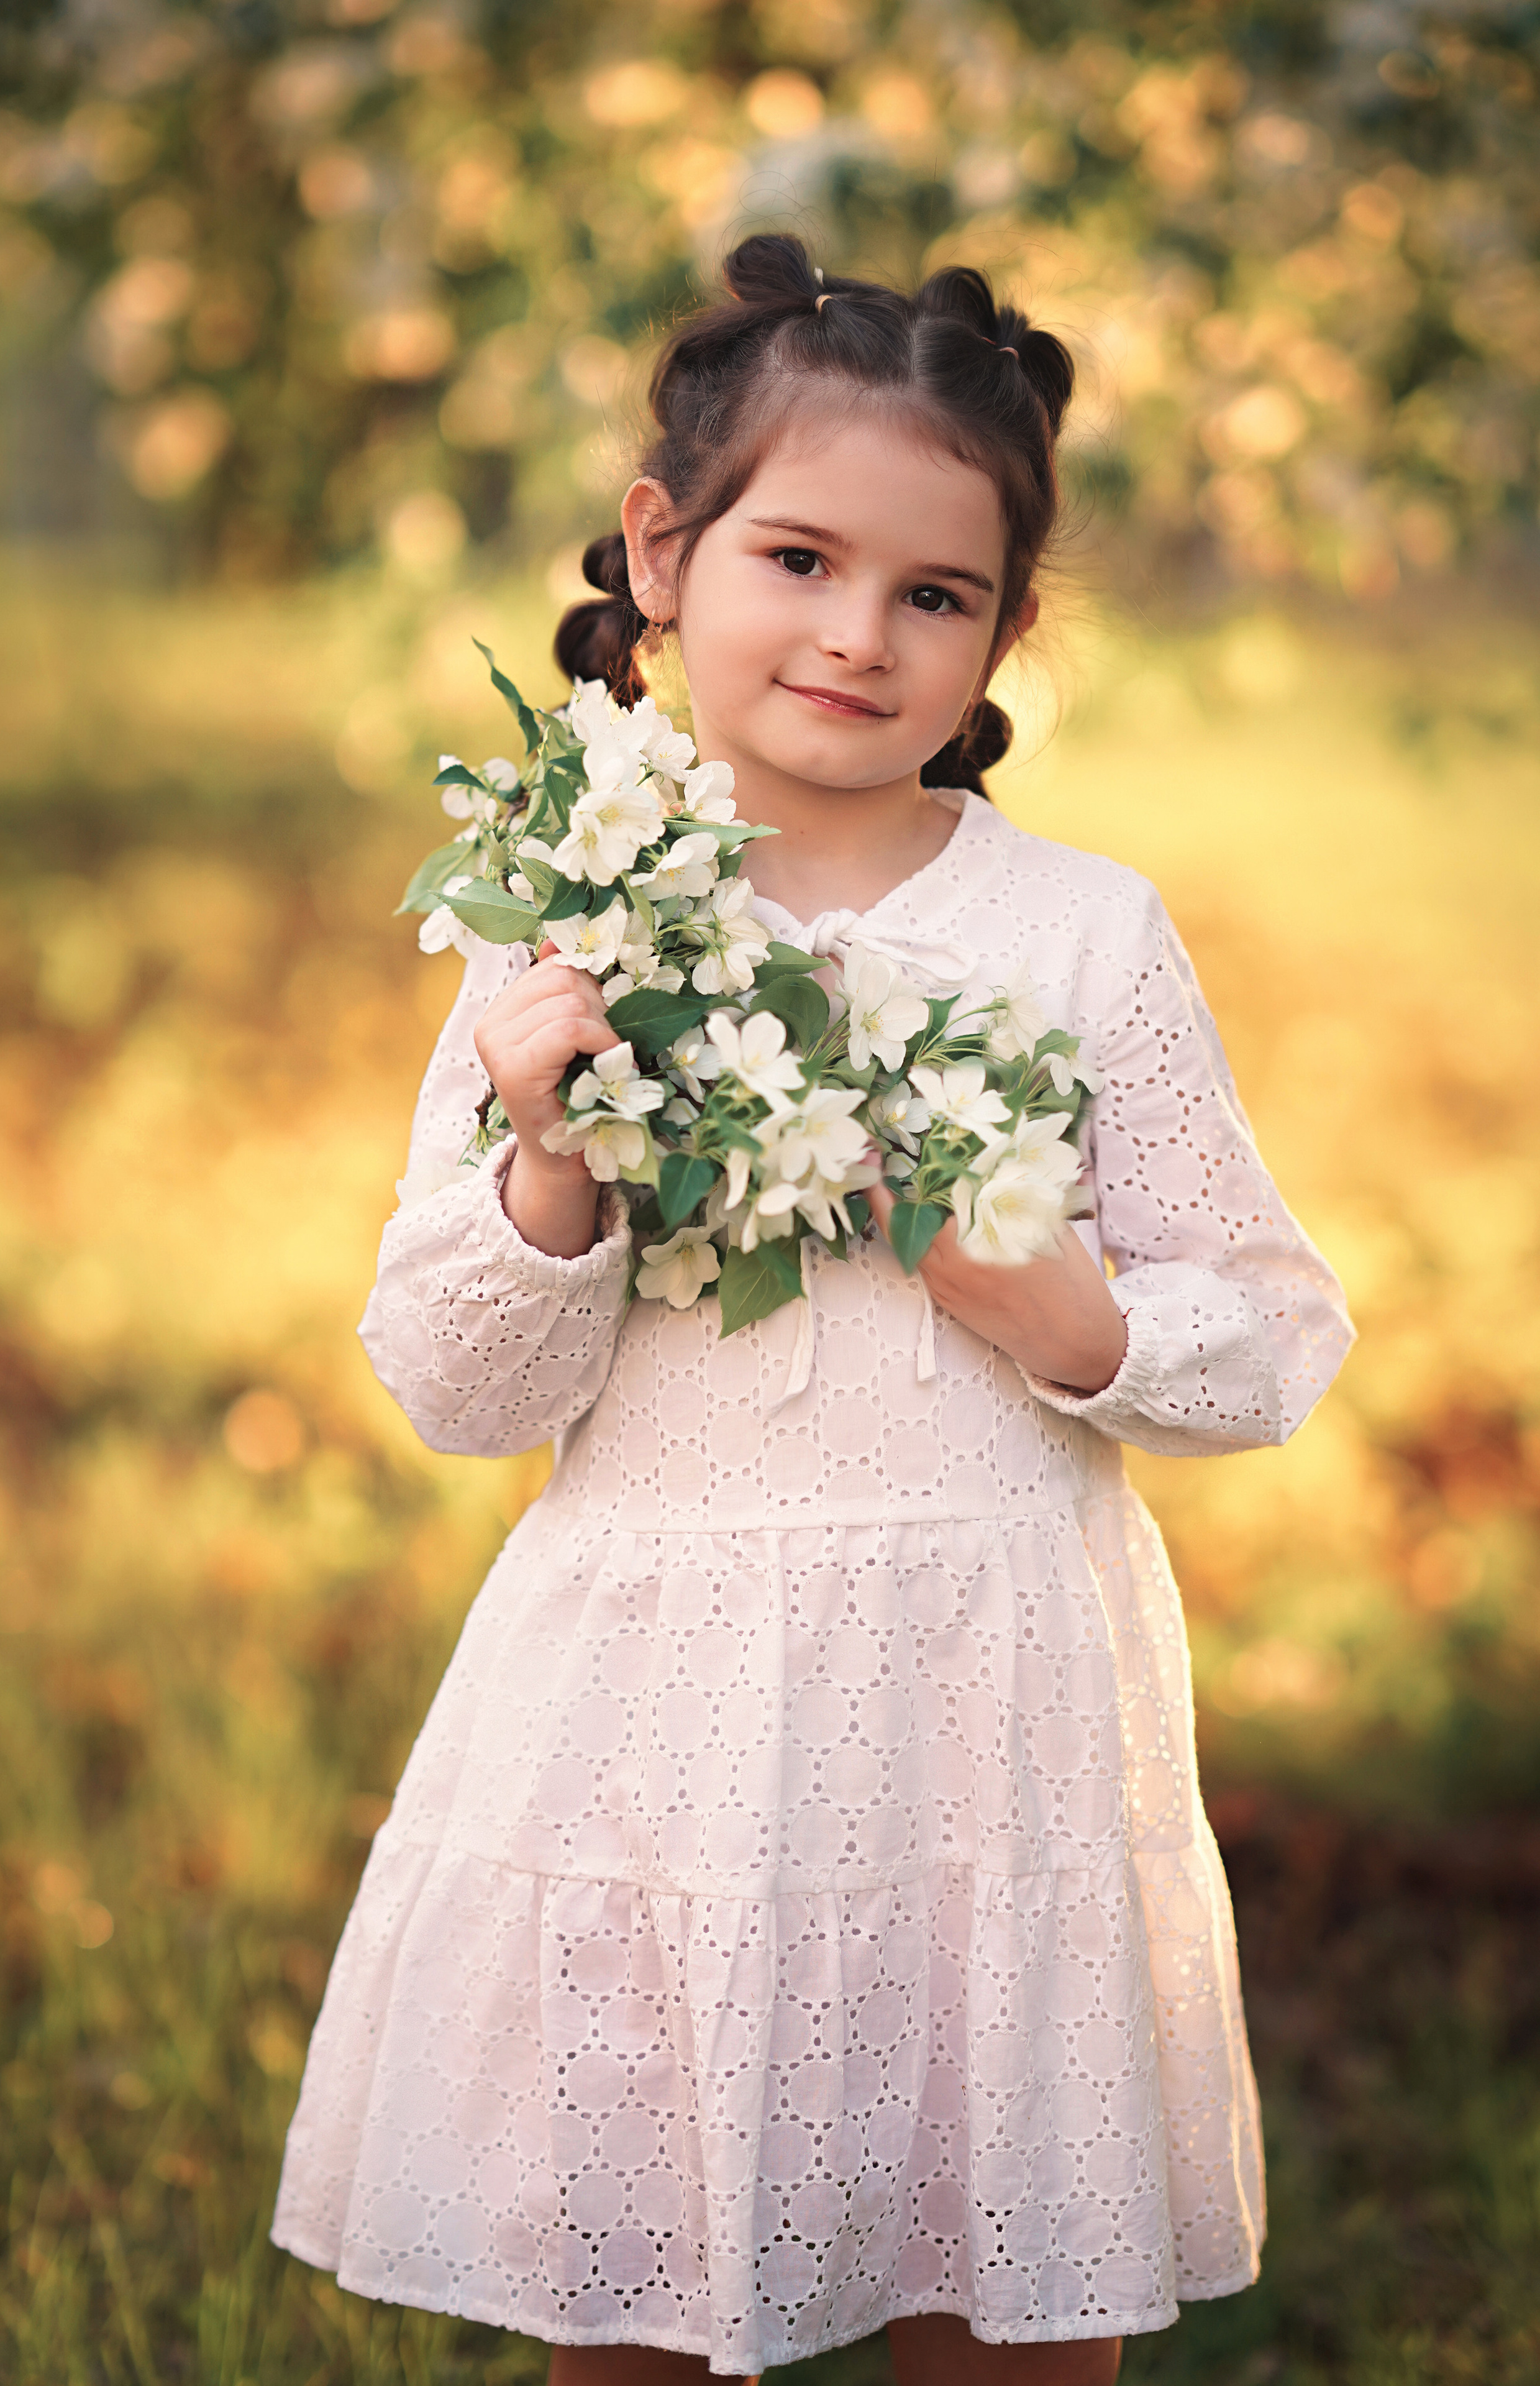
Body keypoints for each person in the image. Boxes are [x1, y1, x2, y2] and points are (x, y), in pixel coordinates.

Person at [271, 234, 1354, 2384]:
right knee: (646, 2300)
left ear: (1005, 631)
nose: (860, 634)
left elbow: (1270, 1325)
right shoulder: (572, 919)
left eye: (936, 594)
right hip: (661, 1720)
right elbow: (453, 1386)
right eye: (800, 557)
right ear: (665, 555)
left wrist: (1074, 1322)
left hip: (991, 1709)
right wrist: (550, 1149)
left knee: (1007, 2303)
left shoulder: (1077, 937)